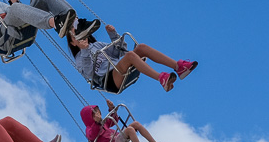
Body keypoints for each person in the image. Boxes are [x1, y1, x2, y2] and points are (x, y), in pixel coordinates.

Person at [67, 24, 197, 93]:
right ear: (73, 43)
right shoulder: (79, 59)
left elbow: (119, 51)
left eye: (80, 33)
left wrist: (113, 35)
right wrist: (84, 51)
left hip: (120, 68)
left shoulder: (97, 45)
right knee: (130, 56)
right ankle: (161, 78)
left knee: (141, 48)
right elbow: (89, 74)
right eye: (75, 36)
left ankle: (178, 67)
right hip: (109, 80)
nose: (80, 36)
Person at [81, 100, 170, 142]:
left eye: (98, 111)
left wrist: (111, 108)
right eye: (94, 113)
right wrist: (96, 123)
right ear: (89, 118)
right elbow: (92, 136)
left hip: (116, 138)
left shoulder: (103, 123)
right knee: (130, 130)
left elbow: (112, 121)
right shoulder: (90, 129)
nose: (98, 114)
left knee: (136, 124)